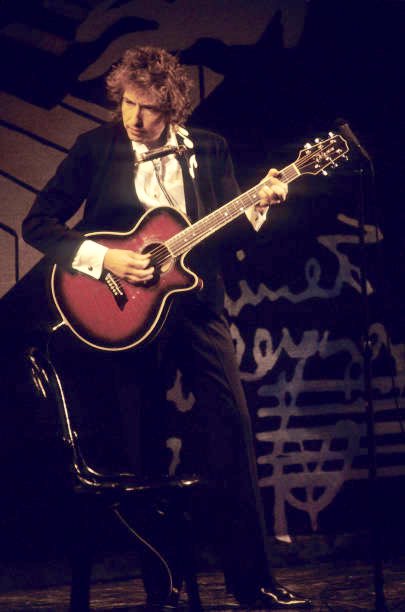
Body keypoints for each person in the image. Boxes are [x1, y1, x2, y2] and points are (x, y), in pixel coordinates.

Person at [22, 46, 311, 609]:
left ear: (172, 107)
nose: (134, 118)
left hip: (198, 310)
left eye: (148, 108)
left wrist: (259, 204)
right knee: (144, 445)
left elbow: (222, 234)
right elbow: (40, 224)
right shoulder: (95, 148)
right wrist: (105, 259)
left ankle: (253, 582)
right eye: (128, 103)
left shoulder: (209, 149)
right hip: (124, 315)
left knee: (231, 435)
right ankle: (166, 585)